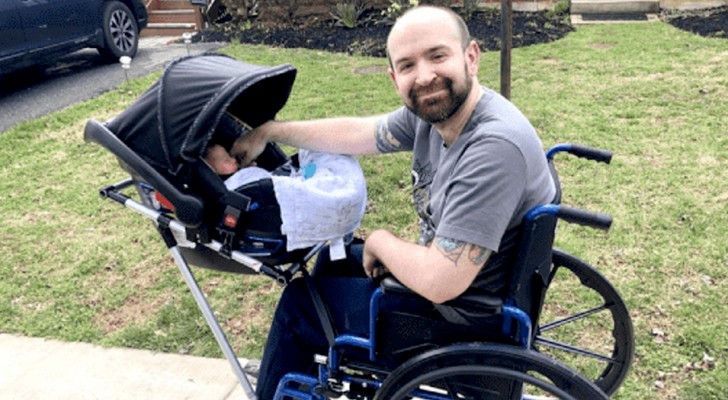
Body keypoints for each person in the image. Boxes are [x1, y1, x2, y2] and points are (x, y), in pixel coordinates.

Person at [231, 5, 556, 398]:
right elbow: (361, 133)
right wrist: (272, 131)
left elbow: (440, 280)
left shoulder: (492, 148)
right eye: (407, 65)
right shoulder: (435, 113)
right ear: (394, 77)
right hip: (469, 295)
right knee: (332, 262)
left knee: (300, 304)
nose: (424, 76)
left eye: (438, 56)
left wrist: (380, 241)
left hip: (457, 323)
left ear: (471, 57)